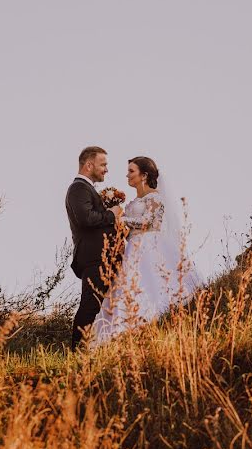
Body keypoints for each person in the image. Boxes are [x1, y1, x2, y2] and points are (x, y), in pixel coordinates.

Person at [91, 156, 202, 347]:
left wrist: (120, 219)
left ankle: (158, 318)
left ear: (144, 175)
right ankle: (124, 327)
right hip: (132, 247)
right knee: (130, 285)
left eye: (131, 171)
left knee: (153, 281)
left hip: (151, 245)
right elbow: (129, 229)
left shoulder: (155, 198)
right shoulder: (135, 201)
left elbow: (148, 222)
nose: (127, 175)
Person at [64, 146, 123, 348]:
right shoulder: (78, 188)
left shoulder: (87, 189)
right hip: (94, 258)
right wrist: (111, 214)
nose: (106, 169)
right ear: (89, 165)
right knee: (89, 307)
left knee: (101, 306)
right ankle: (76, 353)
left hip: (103, 257)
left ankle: (93, 349)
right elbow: (86, 218)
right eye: (103, 164)